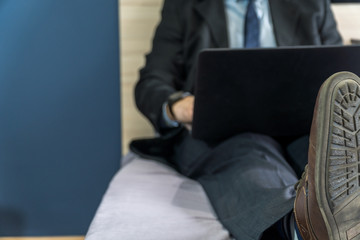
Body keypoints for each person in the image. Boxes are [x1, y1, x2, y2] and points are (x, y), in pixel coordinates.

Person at [131, 0, 360, 239]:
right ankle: (295, 226)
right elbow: (151, 81)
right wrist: (179, 106)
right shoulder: (184, 5)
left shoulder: (313, 5)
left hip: (301, 127)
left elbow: (337, 68)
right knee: (252, 161)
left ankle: (349, 215)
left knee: (333, 155)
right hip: (225, 133)